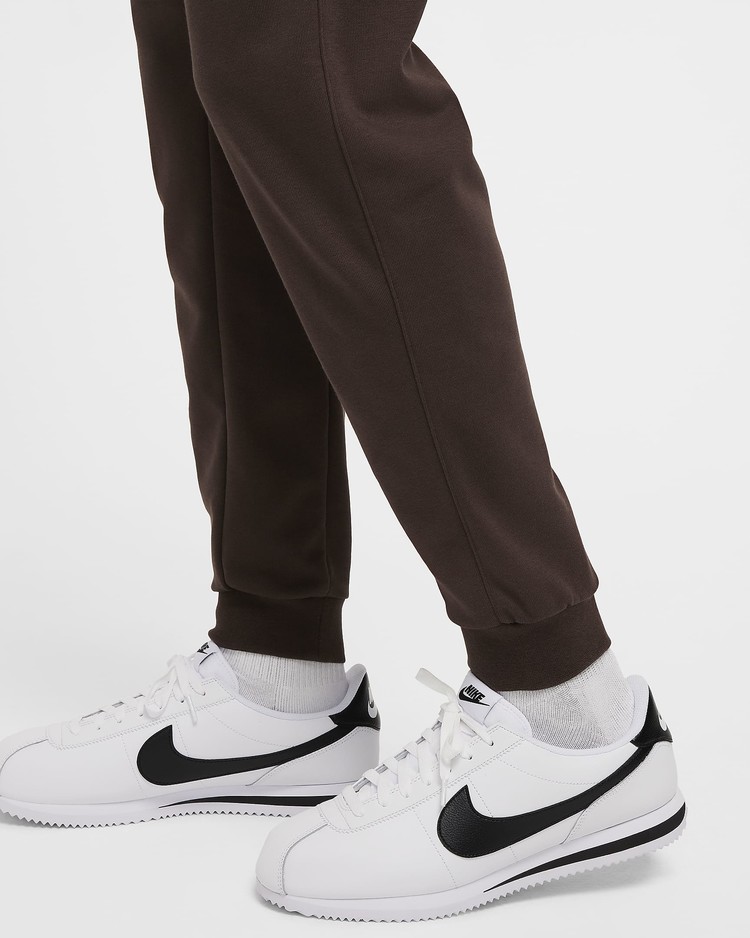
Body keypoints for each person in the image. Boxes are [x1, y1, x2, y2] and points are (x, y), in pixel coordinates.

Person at [0, 0, 684, 922]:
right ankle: (275, 667)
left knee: (299, 53)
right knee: (202, 60)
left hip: (567, 714)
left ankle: (566, 707)